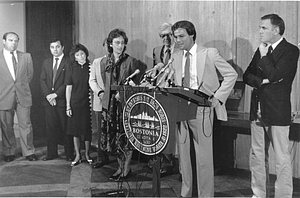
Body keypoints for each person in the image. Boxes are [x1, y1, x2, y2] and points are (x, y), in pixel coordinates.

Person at [170, 21, 237, 197]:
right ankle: (186, 193)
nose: (178, 40)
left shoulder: (209, 53)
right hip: (181, 108)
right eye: (175, 37)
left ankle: (205, 195)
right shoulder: (176, 56)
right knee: (183, 157)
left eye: (181, 36)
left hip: (202, 108)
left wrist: (217, 98)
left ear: (192, 35)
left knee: (204, 158)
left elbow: (231, 75)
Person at [243, 14, 299, 198]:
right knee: (257, 157)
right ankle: (258, 194)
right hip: (257, 110)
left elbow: (276, 76)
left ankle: (283, 196)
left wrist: (265, 56)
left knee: (281, 159)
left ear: (276, 30)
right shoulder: (261, 49)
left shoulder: (290, 50)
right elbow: (247, 76)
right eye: (260, 27)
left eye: (263, 28)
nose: (259, 31)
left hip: (277, 111)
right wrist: (262, 81)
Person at [100, 28, 144, 181]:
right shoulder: (104, 61)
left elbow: (137, 84)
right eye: (117, 43)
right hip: (109, 105)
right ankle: (119, 167)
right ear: (110, 44)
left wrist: (123, 93)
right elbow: (106, 83)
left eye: (122, 43)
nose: (120, 46)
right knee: (113, 138)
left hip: (125, 105)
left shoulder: (132, 61)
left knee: (125, 138)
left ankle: (126, 169)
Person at [0, 32, 37, 162]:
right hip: (4, 96)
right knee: (6, 126)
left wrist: (20, 87)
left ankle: (29, 151)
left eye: (16, 41)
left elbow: (29, 75)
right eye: (10, 40)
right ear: (4, 41)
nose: (13, 43)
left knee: (26, 124)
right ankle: (9, 151)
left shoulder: (26, 57)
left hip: (23, 95)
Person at [151, 22, 179, 177]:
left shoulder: (180, 49)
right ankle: (166, 163)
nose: (166, 38)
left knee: (177, 130)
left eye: (169, 34)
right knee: (163, 128)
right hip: (161, 94)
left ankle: (181, 166)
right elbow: (155, 71)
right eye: (163, 35)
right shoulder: (156, 51)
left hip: (176, 94)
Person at [40, 38, 74, 161]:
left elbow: (68, 82)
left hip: (62, 100)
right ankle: (51, 153)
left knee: (66, 127)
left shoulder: (69, 62)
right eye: (52, 47)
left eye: (57, 47)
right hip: (48, 101)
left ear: (63, 47)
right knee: (50, 128)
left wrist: (56, 95)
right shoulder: (46, 62)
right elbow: (42, 80)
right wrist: (49, 95)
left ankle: (69, 154)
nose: (55, 49)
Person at [65, 43, 92, 166]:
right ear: (74, 57)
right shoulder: (71, 68)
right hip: (75, 103)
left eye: (82, 54)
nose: (81, 56)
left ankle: (87, 154)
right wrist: (68, 106)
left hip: (88, 102)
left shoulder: (91, 67)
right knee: (75, 130)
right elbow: (68, 88)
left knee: (87, 130)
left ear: (86, 54)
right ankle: (77, 155)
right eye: (78, 55)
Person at [89, 38, 109, 169]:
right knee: (100, 131)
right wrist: (100, 92)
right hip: (100, 101)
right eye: (107, 45)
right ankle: (102, 157)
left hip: (114, 101)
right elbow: (92, 81)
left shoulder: (121, 62)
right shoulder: (97, 62)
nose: (109, 47)